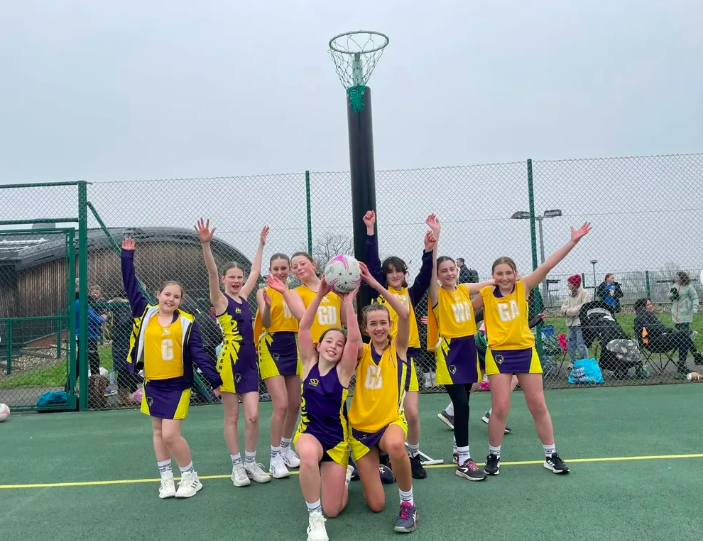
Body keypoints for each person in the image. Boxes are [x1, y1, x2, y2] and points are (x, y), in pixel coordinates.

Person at [474, 222, 592, 476]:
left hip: (525, 353)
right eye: (499, 273)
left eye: (508, 272)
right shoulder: (485, 294)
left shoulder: (523, 287)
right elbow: (461, 307)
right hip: (498, 354)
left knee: (538, 405)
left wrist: (573, 241)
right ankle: (493, 456)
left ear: (515, 273)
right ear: (493, 275)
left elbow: (547, 265)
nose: (504, 277)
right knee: (500, 408)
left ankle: (551, 455)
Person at [120, 238, 223, 499]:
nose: (171, 299)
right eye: (167, 294)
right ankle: (166, 479)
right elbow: (130, 285)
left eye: (176, 296)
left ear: (180, 300)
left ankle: (190, 477)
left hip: (177, 385)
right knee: (158, 431)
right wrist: (127, 257)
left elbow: (199, 354)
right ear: (158, 295)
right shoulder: (145, 314)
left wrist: (215, 380)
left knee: (170, 434)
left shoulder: (187, 323)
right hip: (153, 383)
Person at [195, 219, 271, 485]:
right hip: (229, 363)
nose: (237, 281)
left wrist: (261, 244)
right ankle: (237, 466)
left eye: (240, 277)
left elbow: (255, 271)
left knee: (253, 416)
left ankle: (250, 462)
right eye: (233, 277)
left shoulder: (244, 296)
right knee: (233, 416)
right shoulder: (220, 300)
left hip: (249, 363)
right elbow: (211, 273)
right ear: (225, 279)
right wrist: (206, 245)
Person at [363, 210, 436, 479]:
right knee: (386, 410)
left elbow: (426, 273)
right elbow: (371, 265)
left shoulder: (410, 293)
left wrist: (428, 249)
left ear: (404, 273)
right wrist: (370, 231)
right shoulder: (378, 295)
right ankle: (384, 454)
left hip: (407, 357)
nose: (394, 275)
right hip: (383, 359)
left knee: (412, 413)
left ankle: (413, 455)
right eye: (389, 272)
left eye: (398, 271)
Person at [349, 262, 418, 533]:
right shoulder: (361, 351)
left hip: (389, 422)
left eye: (383, 323)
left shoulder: (398, 349)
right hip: (361, 429)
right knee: (376, 505)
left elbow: (404, 313)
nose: (379, 328)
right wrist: (347, 299)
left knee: (396, 445)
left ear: (390, 325)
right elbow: (351, 333)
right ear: (366, 328)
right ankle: (376, 469)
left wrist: (376, 284)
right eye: (373, 324)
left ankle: (408, 503)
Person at [293, 275, 359, 541]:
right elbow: (303, 327)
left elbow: (354, 340)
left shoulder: (343, 373)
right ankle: (314, 519)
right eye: (329, 341)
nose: (334, 346)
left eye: (339, 344)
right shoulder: (308, 364)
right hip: (310, 433)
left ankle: (344, 478)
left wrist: (348, 303)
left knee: (334, 509)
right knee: (308, 455)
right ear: (319, 346)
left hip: (336, 441)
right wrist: (319, 295)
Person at [426, 224, 494, 480]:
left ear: (457, 270)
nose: (449, 273)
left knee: (464, 401)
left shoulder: (464, 290)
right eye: (444, 270)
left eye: (452, 268)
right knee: (462, 405)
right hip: (449, 352)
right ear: (438, 275)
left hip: (468, 349)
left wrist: (508, 279)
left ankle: (458, 450)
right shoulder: (437, 295)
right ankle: (464, 459)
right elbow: (430, 270)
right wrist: (435, 239)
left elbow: (488, 285)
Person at [254, 254, 306, 478]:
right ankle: (274, 457)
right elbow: (265, 322)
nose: (280, 272)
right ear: (270, 269)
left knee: (295, 403)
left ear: (289, 270)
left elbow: (303, 319)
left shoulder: (294, 293)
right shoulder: (263, 292)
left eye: (284, 268)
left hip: (292, 344)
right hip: (271, 344)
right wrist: (266, 307)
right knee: (281, 405)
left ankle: (285, 449)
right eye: (276, 268)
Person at [634, 298, 703, 376]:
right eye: (648, 305)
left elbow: (661, 328)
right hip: (653, 343)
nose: (651, 306)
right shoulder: (639, 318)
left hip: (662, 339)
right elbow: (651, 329)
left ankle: (682, 366)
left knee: (683, 338)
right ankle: (696, 356)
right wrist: (663, 330)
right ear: (642, 307)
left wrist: (665, 330)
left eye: (651, 304)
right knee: (683, 334)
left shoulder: (651, 316)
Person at [291, 252, 344, 343]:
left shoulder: (334, 288)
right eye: (295, 267)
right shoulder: (295, 292)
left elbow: (345, 320)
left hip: (336, 343)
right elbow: (303, 319)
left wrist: (345, 297)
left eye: (302, 264)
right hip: (314, 343)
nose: (299, 268)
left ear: (314, 265)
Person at [110, 293, 141, 406]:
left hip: (124, 343)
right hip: (123, 344)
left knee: (128, 370)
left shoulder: (123, 308)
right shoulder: (125, 308)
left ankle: (130, 394)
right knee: (125, 371)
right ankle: (124, 397)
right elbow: (123, 322)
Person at [561, 274, 589, 364]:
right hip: (570, 323)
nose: (567, 285)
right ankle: (573, 362)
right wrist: (570, 311)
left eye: (569, 283)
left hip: (580, 323)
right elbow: (563, 309)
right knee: (570, 345)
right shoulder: (569, 294)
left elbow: (583, 307)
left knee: (581, 344)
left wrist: (568, 311)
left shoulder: (584, 293)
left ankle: (585, 363)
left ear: (574, 284)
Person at [668, 272, 700, 339]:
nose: (676, 279)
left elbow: (695, 298)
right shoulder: (674, 286)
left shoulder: (689, 287)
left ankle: (686, 340)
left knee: (683, 327)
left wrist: (695, 306)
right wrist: (673, 295)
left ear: (682, 278)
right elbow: (669, 295)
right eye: (676, 277)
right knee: (677, 326)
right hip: (676, 310)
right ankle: (691, 333)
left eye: (677, 278)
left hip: (685, 310)